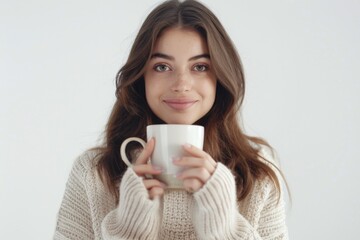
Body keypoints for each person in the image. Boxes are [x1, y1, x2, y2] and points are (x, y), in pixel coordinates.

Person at [54, 0, 289, 239]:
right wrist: (130, 229)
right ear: (141, 76)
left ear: (220, 75)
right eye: (162, 67)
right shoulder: (93, 173)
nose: (181, 85)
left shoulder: (258, 174)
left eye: (200, 66)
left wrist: (223, 228)